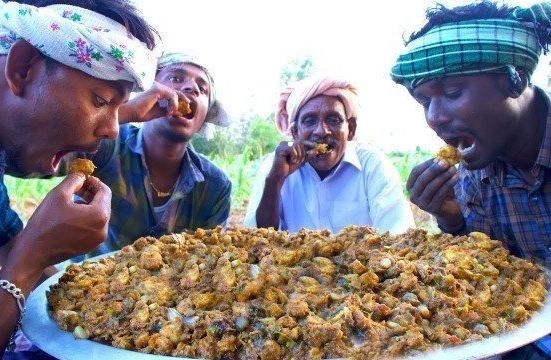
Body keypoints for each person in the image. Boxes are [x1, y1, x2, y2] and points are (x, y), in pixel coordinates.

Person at [0, 0, 159, 358]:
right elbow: (22, 256)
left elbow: (7, 236)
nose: (112, 130)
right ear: (23, 67)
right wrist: (27, 262)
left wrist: (107, 305)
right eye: (102, 100)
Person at [390, 1, 551, 358]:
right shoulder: (470, 179)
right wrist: (451, 218)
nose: (434, 118)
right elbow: (490, 272)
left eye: (452, 94)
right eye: (423, 102)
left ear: (515, 80)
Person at [45, 51, 232, 262]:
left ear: (206, 116)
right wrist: (127, 112)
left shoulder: (215, 186)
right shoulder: (104, 144)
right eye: (175, 78)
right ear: (150, 91)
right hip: (86, 286)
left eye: (203, 89)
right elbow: (33, 154)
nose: (191, 88)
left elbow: (209, 262)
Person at [244, 76, 415, 234]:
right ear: (295, 132)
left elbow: (397, 232)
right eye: (310, 121)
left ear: (351, 129)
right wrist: (275, 180)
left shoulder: (372, 165)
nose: (321, 131)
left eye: (333, 120)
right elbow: (260, 239)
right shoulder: (274, 166)